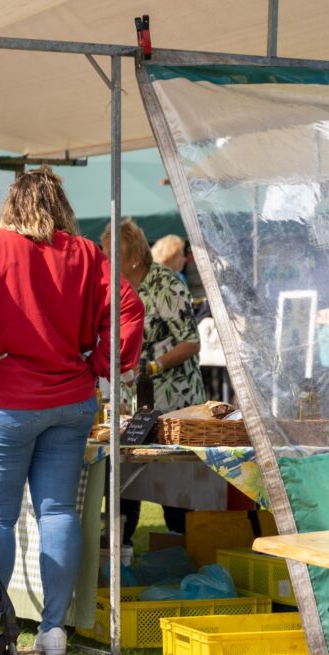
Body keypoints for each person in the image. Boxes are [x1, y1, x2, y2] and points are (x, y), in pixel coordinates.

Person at [0, 169, 144, 655]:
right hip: (71, 401)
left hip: (7, 402)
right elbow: (129, 306)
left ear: (13, 204)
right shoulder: (85, 252)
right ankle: (53, 630)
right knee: (58, 513)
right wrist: (99, 363)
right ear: (60, 206)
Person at [102, 219, 207, 544]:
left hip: (173, 404)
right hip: (130, 403)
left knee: (175, 490)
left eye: (110, 254)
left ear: (133, 257)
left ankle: (184, 550)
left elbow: (191, 342)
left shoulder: (166, 283)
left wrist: (153, 367)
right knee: (124, 483)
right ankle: (122, 549)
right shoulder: (114, 287)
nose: (105, 261)